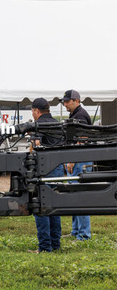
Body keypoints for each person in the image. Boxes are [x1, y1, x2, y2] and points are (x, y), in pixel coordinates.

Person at [29, 98, 65, 253]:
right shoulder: (58, 124)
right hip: (57, 169)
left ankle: (44, 247)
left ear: (36, 110)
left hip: (43, 169)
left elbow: (36, 147)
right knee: (53, 207)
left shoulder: (38, 125)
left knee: (41, 208)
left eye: (32, 111)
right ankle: (55, 244)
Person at [61, 89, 92, 241]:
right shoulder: (75, 114)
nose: (65, 104)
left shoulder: (80, 115)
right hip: (77, 158)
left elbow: (83, 138)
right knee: (74, 195)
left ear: (76, 101)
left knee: (80, 196)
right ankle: (76, 231)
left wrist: (72, 160)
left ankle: (84, 235)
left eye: (67, 101)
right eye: (64, 101)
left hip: (81, 159)